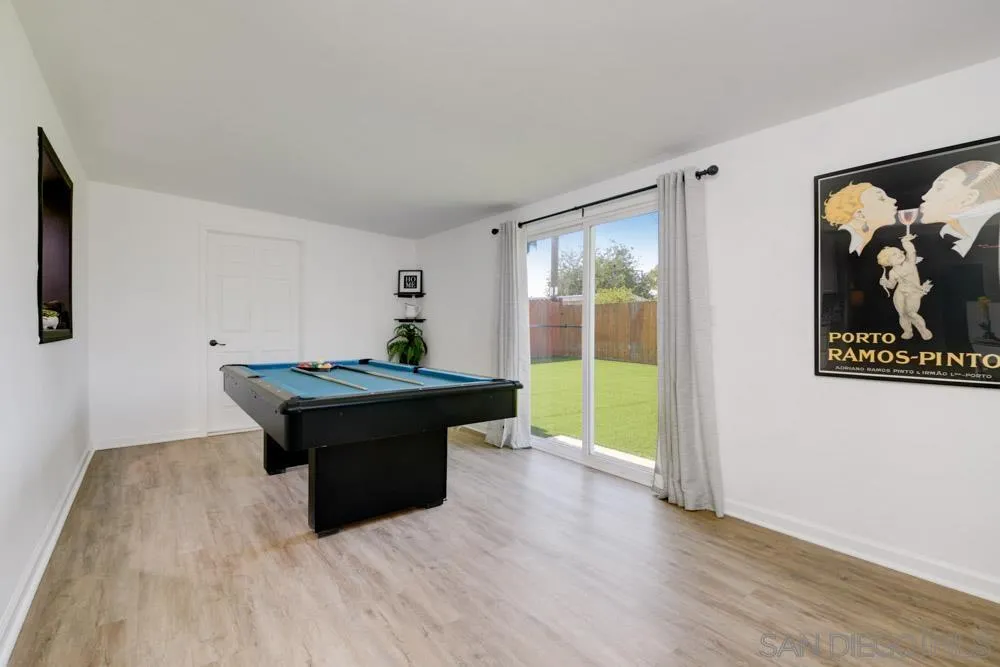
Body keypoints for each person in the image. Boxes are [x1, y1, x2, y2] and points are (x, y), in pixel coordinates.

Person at [877, 234, 934, 340]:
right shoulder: (893, 272)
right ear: (888, 261)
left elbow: (911, 251)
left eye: (898, 252)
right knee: (902, 314)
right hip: (899, 292)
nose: (898, 254)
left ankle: (923, 330)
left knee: (911, 313)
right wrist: (885, 283)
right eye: (894, 255)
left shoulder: (910, 262)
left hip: (913, 292)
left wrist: (905, 242)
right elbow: (892, 285)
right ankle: (908, 331)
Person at [823, 182, 899, 255]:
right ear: (860, 214)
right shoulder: (843, 240)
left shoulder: (868, 239)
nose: (894, 200)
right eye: (882, 198)